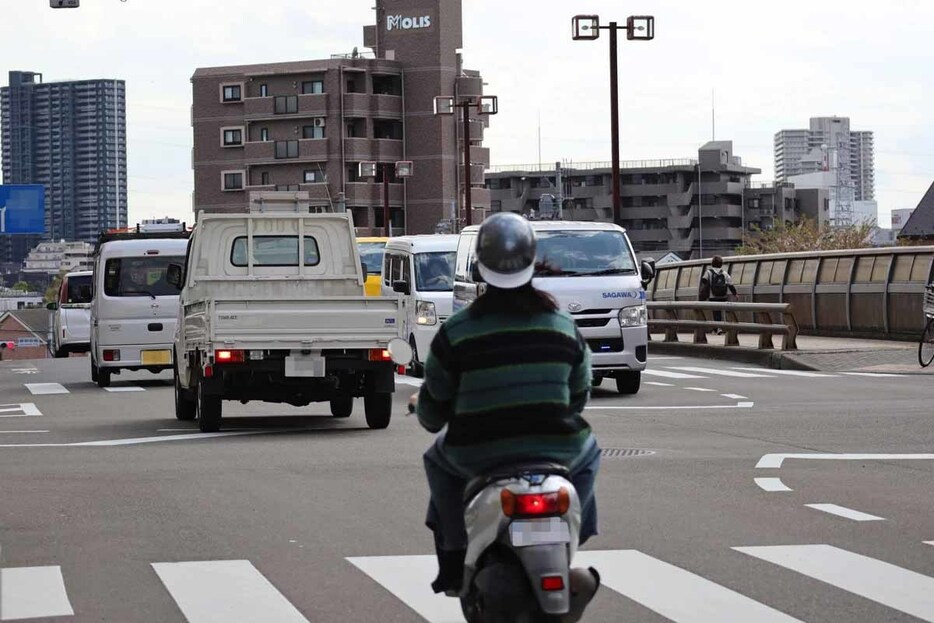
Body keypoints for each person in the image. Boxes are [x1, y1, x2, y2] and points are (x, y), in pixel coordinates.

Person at [416, 212, 601, 595]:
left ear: (480, 268)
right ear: (532, 262)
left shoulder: (457, 332)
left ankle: (454, 558)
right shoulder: (563, 328)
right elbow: (579, 395)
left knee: (437, 461)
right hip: (558, 450)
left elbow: (433, 413)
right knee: (591, 452)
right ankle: (571, 537)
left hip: (477, 453)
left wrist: (429, 411)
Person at [699, 255, 737, 334]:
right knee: (725, 312)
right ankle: (726, 327)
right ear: (721, 264)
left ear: (712, 263)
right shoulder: (724, 273)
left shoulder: (709, 272)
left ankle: (717, 328)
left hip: (713, 296)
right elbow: (730, 284)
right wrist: (735, 294)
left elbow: (704, 280)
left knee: (716, 312)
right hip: (723, 296)